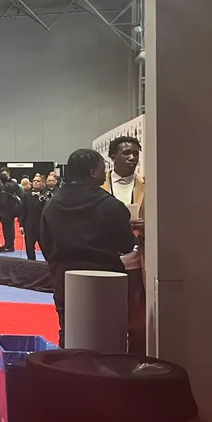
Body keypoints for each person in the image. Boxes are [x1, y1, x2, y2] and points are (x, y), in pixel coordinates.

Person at [40, 149, 138, 347]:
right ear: (93, 173)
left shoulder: (52, 204)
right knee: (107, 333)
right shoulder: (111, 205)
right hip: (106, 276)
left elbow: (45, 244)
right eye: (103, 168)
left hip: (64, 275)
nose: (105, 173)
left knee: (69, 330)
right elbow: (126, 244)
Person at [101, 136, 148, 354]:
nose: (132, 158)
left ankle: (135, 362)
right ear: (112, 157)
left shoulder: (148, 185)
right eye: (126, 153)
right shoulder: (98, 186)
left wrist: (145, 226)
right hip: (104, 260)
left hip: (138, 263)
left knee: (137, 322)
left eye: (135, 154)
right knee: (105, 318)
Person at [21, 175, 49, 261]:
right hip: (30, 226)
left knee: (46, 249)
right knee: (29, 249)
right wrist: (21, 225)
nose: (36, 182)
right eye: (34, 181)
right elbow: (23, 211)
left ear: (43, 183)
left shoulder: (47, 195)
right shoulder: (26, 195)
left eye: (38, 181)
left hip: (42, 227)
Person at [0, 173, 22, 252]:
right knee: (10, 228)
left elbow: (2, 202)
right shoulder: (12, 185)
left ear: (0, 180)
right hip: (12, 211)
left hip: (5, 211)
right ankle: (9, 245)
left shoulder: (3, 188)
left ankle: (8, 245)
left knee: (7, 229)